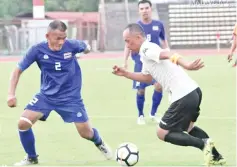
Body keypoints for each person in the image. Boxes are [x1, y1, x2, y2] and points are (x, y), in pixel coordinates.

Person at [113, 23, 226, 166]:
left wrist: (187, 65)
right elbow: (147, 78)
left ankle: (203, 145)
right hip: (193, 91)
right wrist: (126, 74)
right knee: (188, 128)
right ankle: (217, 157)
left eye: (128, 41)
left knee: (162, 132)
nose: (127, 45)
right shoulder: (145, 54)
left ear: (138, 37)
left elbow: (168, 54)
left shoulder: (147, 48)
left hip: (183, 95)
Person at [7, 20, 113, 166]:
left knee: (85, 133)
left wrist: (86, 49)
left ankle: (99, 142)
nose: (62, 42)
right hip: (46, 96)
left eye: (64, 37)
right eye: (58, 38)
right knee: (23, 123)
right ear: (47, 36)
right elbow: (17, 70)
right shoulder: (37, 50)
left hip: (71, 98)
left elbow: (85, 46)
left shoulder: (72, 45)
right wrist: (11, 94)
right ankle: (31, 158)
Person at [123, 0, 169, 125]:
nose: (144, 11)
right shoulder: (135, 27)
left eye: (146, 8)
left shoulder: (158, 24)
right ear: (139, 11)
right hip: (139, 62)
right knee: (141, 90)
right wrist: (125, 61)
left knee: (159, 86)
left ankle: (153, 114)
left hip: (155, 62)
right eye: (142, 9)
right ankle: (140, 115)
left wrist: (168, 53)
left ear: (151, 9)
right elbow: (128, 45)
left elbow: (163, 41)